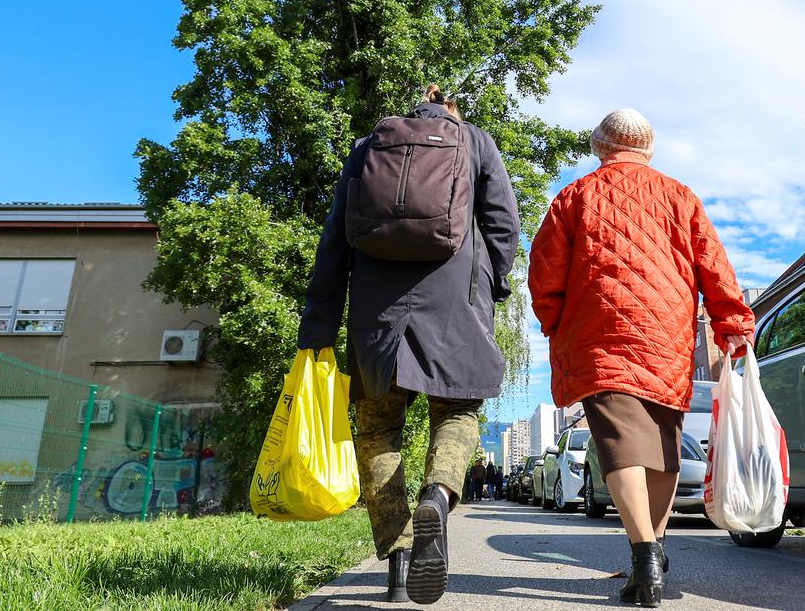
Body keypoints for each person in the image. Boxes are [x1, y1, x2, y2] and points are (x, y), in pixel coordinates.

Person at [299, 85, 521, 605]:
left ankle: (397, 570)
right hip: (456, 300)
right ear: (452, 112)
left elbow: (333, 242)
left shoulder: (365, 148)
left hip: (377, 310)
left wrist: (318, 329)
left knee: (378, 427)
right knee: (459, 411)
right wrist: (491, 283)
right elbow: (503, 225)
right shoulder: (475, 142)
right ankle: (438, 498)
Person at [528, 108, 755, 608]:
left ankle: (644, 553)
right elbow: (713, 265)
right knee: (662, 444)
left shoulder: (574, 196)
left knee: (618, 442)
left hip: (597, 334)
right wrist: (732, 325)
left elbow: (545, 273)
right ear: (647, 148)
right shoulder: (680, 196)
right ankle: (653, 549)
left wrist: (555, 323)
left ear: (601, 146)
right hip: (667, 335)